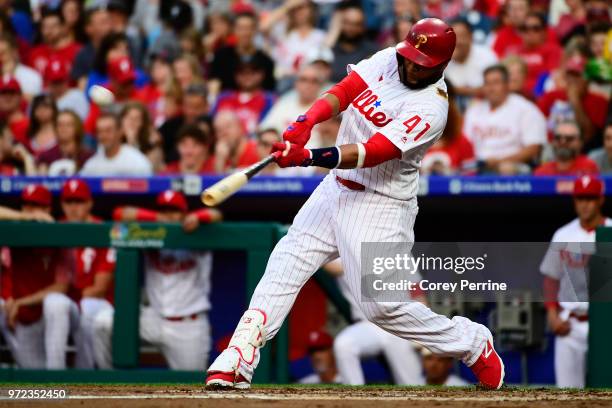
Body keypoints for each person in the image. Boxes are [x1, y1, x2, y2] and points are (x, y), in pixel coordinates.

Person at [206, 18, 504, 390]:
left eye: (421, 63)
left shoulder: (432, 108)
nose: (411, 66)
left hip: (380, 203)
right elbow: (346, 89)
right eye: (410, 57)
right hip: (336, 188)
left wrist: (308, 155)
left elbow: (373, 152)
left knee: (383, 309)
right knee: (287, 260)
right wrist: (306, 119)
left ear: (440, 66)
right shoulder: (391, 58)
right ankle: (238, 357)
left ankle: (472, 342)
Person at [93, 190, 222, 370]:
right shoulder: (150, 232)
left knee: (192, 390)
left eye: (174, 211)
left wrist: (198, 217)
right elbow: (120, 213)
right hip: (153, 319)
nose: (168, 216)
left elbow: (217, 214)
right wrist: (155, 218)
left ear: (184, 213)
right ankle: (108, 380)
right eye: (164, 210)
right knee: (102, 323)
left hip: (187, 325)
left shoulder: (199, 232)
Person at [540, 175, 611, 388]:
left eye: (590, 198)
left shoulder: (610, 230)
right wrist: (552, 316)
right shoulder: (563, 234)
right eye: (581, 198)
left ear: (600, 200)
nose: (585, 204)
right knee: (567, 395)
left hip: (606, 324)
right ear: (574, 201)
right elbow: (551, 278)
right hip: (571, 324)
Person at [0, 184, 72, 368]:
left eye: (37, 206)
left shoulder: (60, 234)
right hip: (25, 318)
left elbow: (61, 287)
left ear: (48, 209)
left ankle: (58, 380)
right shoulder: (14, 234)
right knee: (36, 381)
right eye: (27, 205)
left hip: (56, 317)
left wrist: (20, 302)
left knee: (56, 303)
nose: (32, 211)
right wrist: (24, 217)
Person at [325, 259, 423, 385]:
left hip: (400, 324)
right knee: (344, 345)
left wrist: (419, 328)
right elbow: (331, 266)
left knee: (411, 385)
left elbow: (417, 292)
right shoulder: (344, 249)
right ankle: (354, 400)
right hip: (369, 325)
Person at [59, 179, 115, 369]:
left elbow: (99, 288)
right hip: (67, 304)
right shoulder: (55, 228)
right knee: (54, 305)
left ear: (90, 203)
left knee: (88, 306)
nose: (74, 208)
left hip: (97, 304)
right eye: (69, 202)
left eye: (79, 202)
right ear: (62, 205)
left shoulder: (103, 230)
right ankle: (52, 374)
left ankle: (88, 372)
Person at [463, 65, 547, 174]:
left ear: (507, 85)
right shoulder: (474, 110)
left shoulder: (526, 109)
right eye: (487, 83)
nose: (491, 88)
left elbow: (533, 148)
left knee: (506, 168)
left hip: (512, 167)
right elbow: (465, 144)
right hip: (477, 166)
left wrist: (499, 162)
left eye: (496, 83)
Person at [537, 55, 608, 149]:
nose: (572, 80)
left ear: (587, 79)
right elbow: (538, 126)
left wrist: (575, 100)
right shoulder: (551, 96)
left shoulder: (598, 101)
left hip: (583, 149)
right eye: (569, 75)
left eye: (577, 75)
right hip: (552, 147)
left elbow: (589, 136)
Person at [260, 64, 326, 148]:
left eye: (314, 81)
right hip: (283, 155)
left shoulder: (326, 106)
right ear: (296, 83)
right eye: (303, 80)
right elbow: (265, 129)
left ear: (321, 85)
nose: (308, 85)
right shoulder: (284, 103)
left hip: (316, 157)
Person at [209, 12, 276, 95]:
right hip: (227, 103)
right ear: (234, 30)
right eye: (241, 28)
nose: (245, 33)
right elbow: (214, 82)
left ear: (255, 30)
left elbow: (269, 91)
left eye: (249, 28)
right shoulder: (221, 55)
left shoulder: (266, 61)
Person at [212, 58, 277, 136]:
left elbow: (267, 128)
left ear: (262, 74)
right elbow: (211, 123)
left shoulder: (269, 99)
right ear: (235, 75)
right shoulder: (223, 97)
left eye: (253, 71)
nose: (247, 75)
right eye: (242, 72)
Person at [445, 19, 497, 107]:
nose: (457, 42)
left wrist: (454, 90)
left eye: (461, 36)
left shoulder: (486, 55)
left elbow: (495, 88)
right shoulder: (443, 59)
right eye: (453, 36)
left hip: (484, 108)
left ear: (470, 37)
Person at [80, 113, 152, 176]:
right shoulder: (92, 164)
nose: (103, 136)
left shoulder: (137, 161)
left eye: (108, 130)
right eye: (100, 131)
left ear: (120, 132)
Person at [511, 13, 562, 97]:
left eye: (535, 28)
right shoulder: (513, 51)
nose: (530, 32)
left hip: (539, 96)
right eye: (525, 29)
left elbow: (550, 79)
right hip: (514, 95)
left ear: (544, 31)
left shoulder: (553, 50)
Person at [328, 4, 378, 83]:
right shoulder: (330, 47)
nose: (351, 28)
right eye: (347, 23)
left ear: (363, 27)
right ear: (341, 24)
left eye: (356, 24)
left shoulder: (372, 51)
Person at [37, 110, 92, 176]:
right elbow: (42, 180)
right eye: (60, 125)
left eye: (68, 125)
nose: (63, 128)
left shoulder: (88, 157)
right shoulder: (46, 157)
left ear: (77, 128)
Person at [27, 9, 81, 77]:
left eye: (53, 26)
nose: (49, 31)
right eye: (45, 27)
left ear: (63, 27)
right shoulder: (35, 54)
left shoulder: (77, 51)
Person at [534, 121, 599, 176]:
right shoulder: (541, 173)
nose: (563, 142)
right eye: (558, 138)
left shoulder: (589, 168)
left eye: (569, 138)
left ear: (580, 142)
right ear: (553, 141)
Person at [0, 33, 42, 99]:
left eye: (3, 53)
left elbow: (33, 104)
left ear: (14, 52)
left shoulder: (30, 76)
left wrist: (8, 77)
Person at [0, 76, 29, 146]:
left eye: (11, 92)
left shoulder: (28, 126)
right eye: (3, 93)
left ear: (20, 96)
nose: (7, 97)